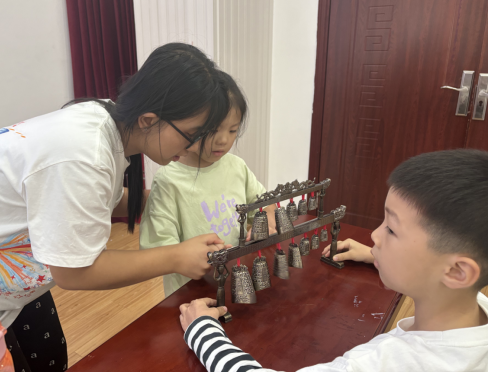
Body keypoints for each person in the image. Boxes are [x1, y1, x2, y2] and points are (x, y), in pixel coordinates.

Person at [0, 43, 235, 372]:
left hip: (7, 284)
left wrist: (174, 201)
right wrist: (176, 257)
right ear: (149, 120)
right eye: (191, 134)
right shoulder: (82, 152)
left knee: (49, 359)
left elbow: (90, 201)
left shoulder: (106, 124)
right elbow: (73, 271)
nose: (196, 146)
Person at [178, 149, 488, 372]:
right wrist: (375, 255)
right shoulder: (474, 310)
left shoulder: (382, 363)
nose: (375, 235)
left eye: (392, 229)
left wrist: (202, 332)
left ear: (457, 271)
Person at [139, 73, 276, 297]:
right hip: (192, 294)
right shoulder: (168, 181)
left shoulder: (236, 166)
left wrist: (267, 220)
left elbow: (264, 203)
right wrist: (186, 256)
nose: (223, 140)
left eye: (233, 130)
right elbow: (159, 249)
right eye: (212, 130)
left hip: (238, 280)